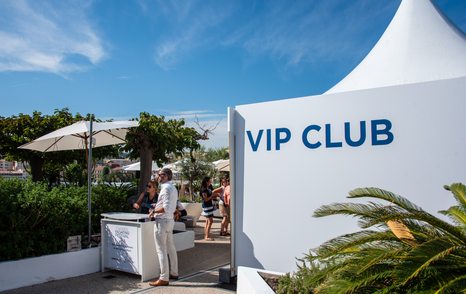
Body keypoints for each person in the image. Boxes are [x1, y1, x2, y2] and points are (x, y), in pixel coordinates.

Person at [148, 168, 178, 287]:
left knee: (161, 250)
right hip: (170, 220)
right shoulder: (173, 187)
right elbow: (170, 206)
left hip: (163, 221)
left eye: (159, 174)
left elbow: (165, 208)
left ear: (165, 176)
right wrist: (157, 206)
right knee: (171, 247)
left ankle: (164, 278)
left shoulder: (165, 188)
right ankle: (174, 272)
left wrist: (153, 211)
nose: (157, 176)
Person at [200, 176, 223, 241]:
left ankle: (206, 234)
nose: (211, 182)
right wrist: (213, 196)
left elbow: (209, 197)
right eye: (210, 181)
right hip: (206, 206)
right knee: (210, 221)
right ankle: (206, 236)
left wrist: (215, 195)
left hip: (209, 206)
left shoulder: (208, 187)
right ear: (206, 182)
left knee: (208, 221)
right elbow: (206, 199)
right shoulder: (204, 189)